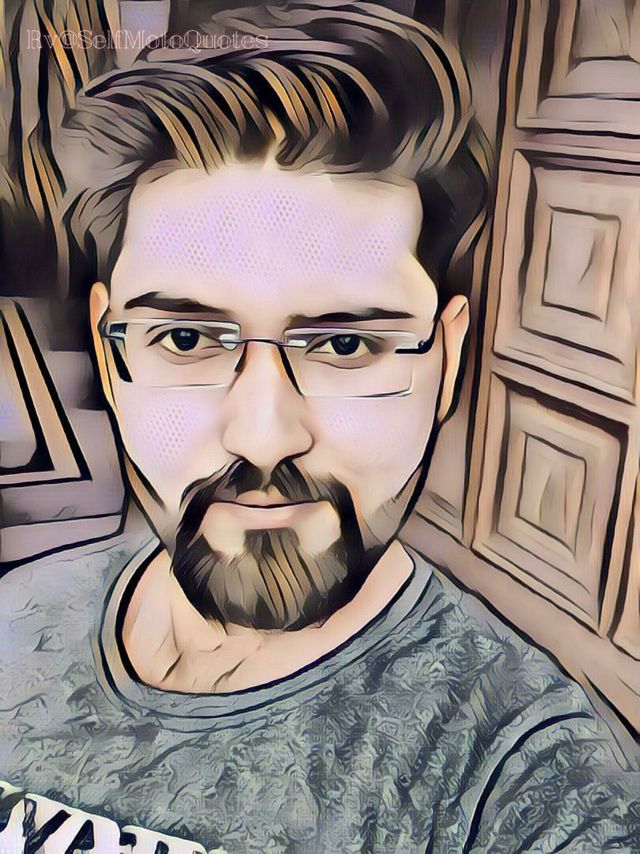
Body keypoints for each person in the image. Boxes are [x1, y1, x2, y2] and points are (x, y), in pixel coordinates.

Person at [1, 3, 639, 851]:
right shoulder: (16, 619)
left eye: (345, 344)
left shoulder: (525, 776)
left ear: (447, 361)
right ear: (109, 349)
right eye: (186, 339)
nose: (264, 437)